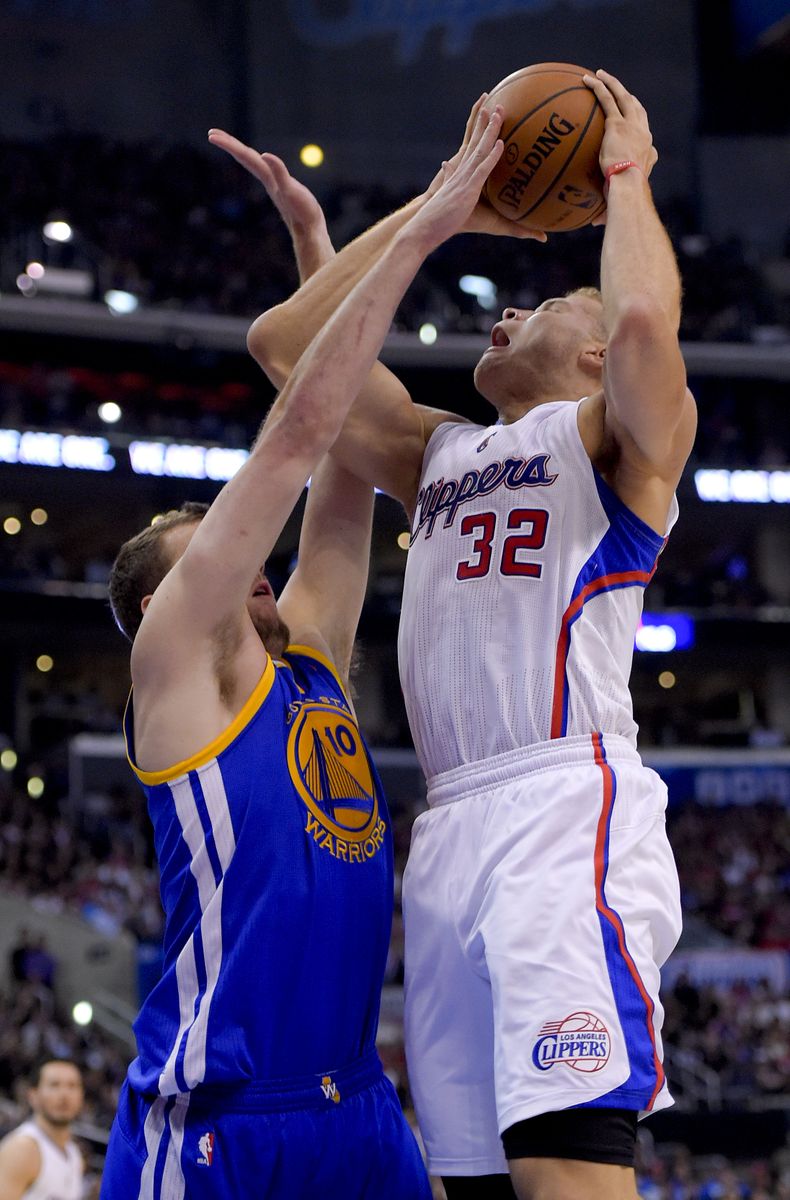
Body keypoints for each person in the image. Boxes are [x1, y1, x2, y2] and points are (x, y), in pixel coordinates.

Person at [212, 68, 695, 1200]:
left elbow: (635, 316)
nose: (508, 307)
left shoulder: (620, 447)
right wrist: (449, 201)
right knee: (475, 1186)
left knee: (568, 1174)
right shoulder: (435, 451)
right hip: (449, 833)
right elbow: (286, 343)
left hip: (560, 809)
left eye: (545, 302)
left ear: (587, 360)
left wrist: (625, 176)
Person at [100, 109, 504, 1200]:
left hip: (355, 1103)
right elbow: (291, 439)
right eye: (217, 565)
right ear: (158, 611)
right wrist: (422, 229)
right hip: (218, 1117)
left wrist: (320, 259)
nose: (253, 570)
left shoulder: (307, 654)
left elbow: (346, 449)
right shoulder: (182, 671)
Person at [0, 1059, 84, 1200]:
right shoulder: (23, 1148)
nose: (64, 1094)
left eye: (72, 1086)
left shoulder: (74, 1155)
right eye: (54, 1085)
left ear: (81, 1096)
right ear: (33, 1095)